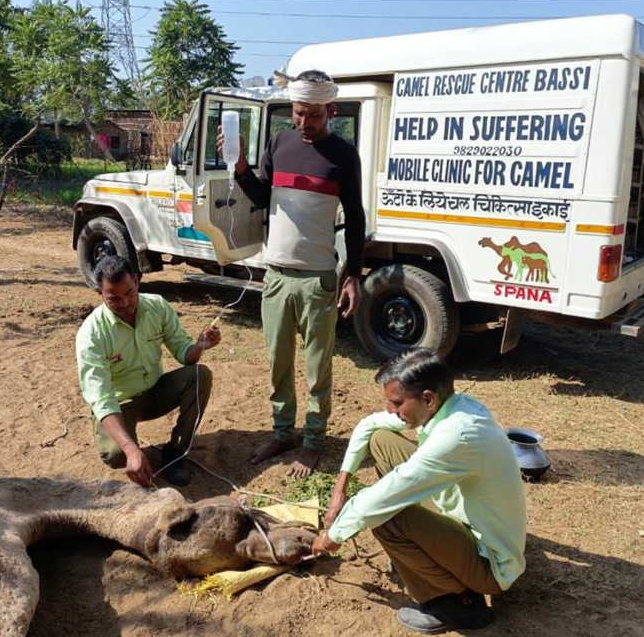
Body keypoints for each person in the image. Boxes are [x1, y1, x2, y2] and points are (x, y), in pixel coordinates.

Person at [312, 348, 527, 633]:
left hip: (491, 564)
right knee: (381, 439)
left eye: (396, 403)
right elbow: (370, 425)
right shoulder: (454, 406)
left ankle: (456, 603)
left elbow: (379, 500)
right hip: (463, 518)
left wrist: (332, 537)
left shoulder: (457, 435)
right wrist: (340, 489)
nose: (391, 410)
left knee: (386, 518)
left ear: (427, 398)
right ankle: (423, 555)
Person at [218, 69, 365, 479]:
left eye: (313, 115)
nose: (304, 122)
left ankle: (313, 441)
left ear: (331, 111)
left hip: (318, 278)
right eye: (298, 113)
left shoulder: (343, 154)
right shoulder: (279, 143)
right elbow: (263, 197)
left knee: (318, 367)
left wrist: (354, 275)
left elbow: (355, 217)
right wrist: (242, 168)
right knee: (277, 363)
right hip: (276, 276)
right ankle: (283, 433)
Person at [75, 256, 220, 487]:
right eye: (114, 298)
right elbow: (101, 398)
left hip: (155, 392)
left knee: (200, 375)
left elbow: (183, 352)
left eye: (129, 293)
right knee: (117, 455)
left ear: (136, 280)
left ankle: (175, 452)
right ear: (99, 293)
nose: (125, 303)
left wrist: (200, 346)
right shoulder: (91, 334)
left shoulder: (157, 306)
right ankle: (130, 447)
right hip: (120, 404)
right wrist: (130, 448)